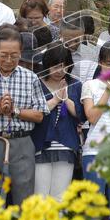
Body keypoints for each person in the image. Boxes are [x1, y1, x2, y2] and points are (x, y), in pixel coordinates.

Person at [0, 26, 46, 205]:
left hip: (21, 142)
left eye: (14, 55)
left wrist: (16, 111)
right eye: (3, 55)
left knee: (24, 190)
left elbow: (39, 115)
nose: (8, 60)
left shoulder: (30, 78)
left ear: (21, 52)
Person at [80, 42, 110, 220]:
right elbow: (91, 117)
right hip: (94, 153)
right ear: (100, 63)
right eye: (107, 63)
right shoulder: (90, 85)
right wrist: (108, 90)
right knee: (94, 211)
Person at [33, 44, 82, 198]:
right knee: (40, 196)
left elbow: (79, 114)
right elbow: (34, 112)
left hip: (66, 145)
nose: (59, 71)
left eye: (64, 66)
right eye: (55, 67)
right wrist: (55, 100)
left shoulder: (75, 84)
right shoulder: (36, 82)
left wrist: (65, 98)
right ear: (47, 65)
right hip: (40, 145)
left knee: (60, 197)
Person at [61, 14, 98, 83]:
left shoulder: (91, 54)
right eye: (69, 40)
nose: (73, 44)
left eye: (77, 40)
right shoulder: (51, 52)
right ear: (60, 34)